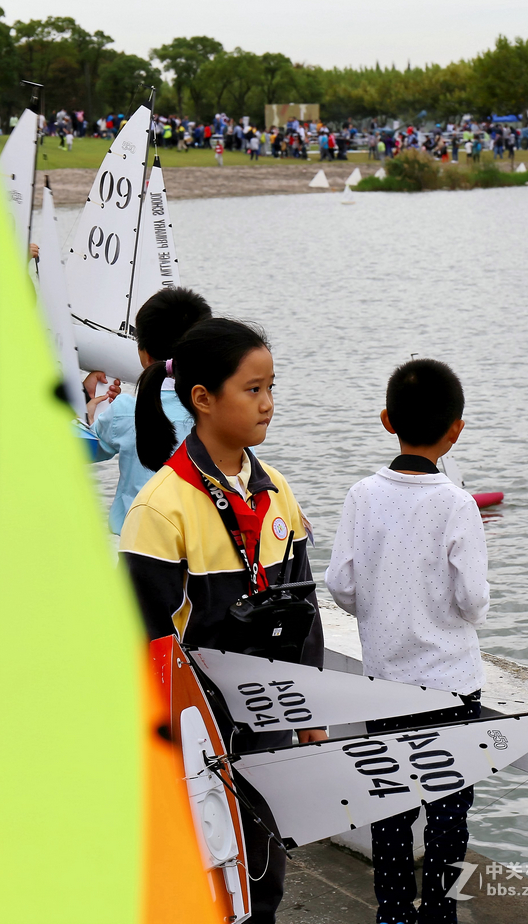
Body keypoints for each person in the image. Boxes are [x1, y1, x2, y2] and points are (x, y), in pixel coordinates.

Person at [120, 317, 325, 924]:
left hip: (267, 717)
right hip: (195, 733)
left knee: (262, 872)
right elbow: (143, 637)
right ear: (203, 400)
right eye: (252, 389)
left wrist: (308, 708)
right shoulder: (162, 506)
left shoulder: (276, 492)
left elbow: (303, 606)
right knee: (203, 879)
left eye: (270, 387)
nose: (267, 404)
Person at [325, 358, 489, 924]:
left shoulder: (361, 495)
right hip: (449, 688)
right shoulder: (457, 504)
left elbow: (342, 585)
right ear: (456, 428)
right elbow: (472, 602)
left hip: (383, 687)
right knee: (448, 810)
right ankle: (438, 911)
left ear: (386, 419)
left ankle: (393, 912)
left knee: (389, 806)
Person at [86, 287, 211, 534]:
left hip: (137, 550)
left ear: (143, 354)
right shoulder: (220, 413)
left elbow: (81, 450)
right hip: (203, 553)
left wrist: (88, 410)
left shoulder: (124, 411)